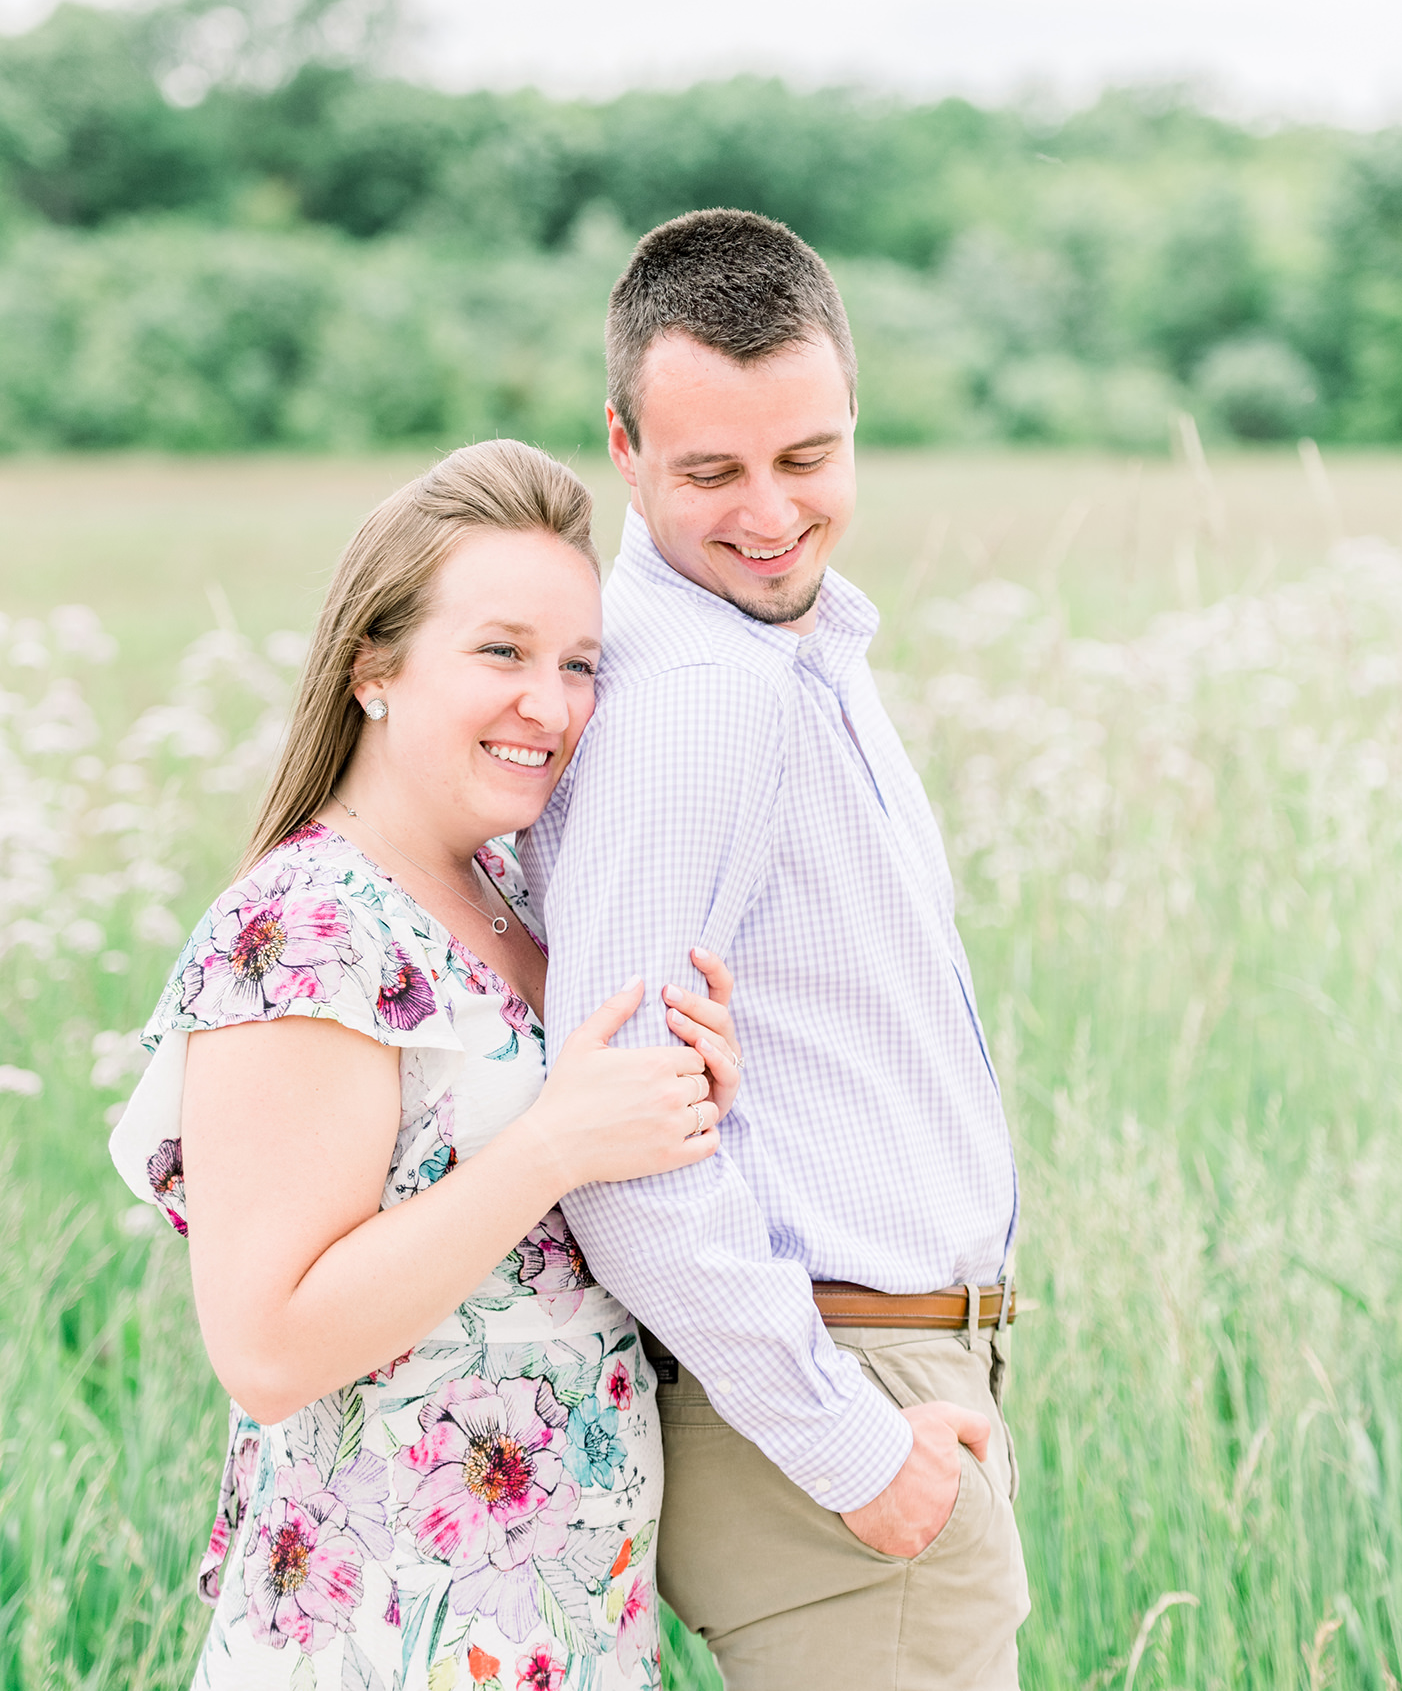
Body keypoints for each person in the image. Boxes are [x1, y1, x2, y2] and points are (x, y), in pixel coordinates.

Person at [111, 439, 744, 1691]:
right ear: (374, 670)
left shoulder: (515, 895)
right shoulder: (311, 931)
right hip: (381, 1634)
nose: (550, 706)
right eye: (501, 653)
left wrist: (684, 1101)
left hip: (557, 1627)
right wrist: (559, 1141)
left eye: (579, 665)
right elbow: (270, 1345)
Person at [520, 210, 1030, 1690]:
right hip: (832, 1399)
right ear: (622, 448)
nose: (767, 513)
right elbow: (621, 1136)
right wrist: (853, 1450)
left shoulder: (787, 650)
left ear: (853, 419)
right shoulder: (697, 701)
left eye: (806, 459)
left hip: (876, 1376)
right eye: (710, 472)